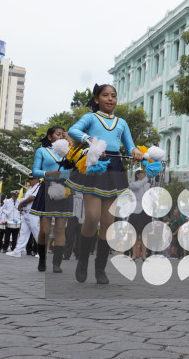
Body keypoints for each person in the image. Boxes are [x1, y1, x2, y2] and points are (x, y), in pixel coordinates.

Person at [65, 84, 144, 284]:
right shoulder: (91, 118)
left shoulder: (122, 123)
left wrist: (135, 151)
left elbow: (130, 144)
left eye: (114, 96)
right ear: (97, 99)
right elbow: (73, 130)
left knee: (108, 223)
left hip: (115, 167)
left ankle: (100, 268)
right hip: (94, 165)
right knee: (91, 217)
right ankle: (82, 261)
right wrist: (89, 139)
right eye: (105, 95)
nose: (110, 99)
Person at [28, 126, 72, 272]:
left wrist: (69, 140)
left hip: (64, 190)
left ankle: (57, 263)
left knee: (60, 229)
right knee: (45, 230)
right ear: (49, 137)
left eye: (63, 135)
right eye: (58, 134)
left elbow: (74, 170)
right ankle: (42, 259)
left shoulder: (69, 152)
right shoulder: (41, 151)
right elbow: (35, 171)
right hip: (47, 188)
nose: (61, 137)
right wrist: (49, 173)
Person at [9, 175, 42, 264]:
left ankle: (42, 252)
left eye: (31, 179)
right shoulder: (30, 188)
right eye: (29, 179)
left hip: (33, 213)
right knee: (23, 233)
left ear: (36, 179)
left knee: (37, 232)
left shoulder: (38, 186)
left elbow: (32, 198)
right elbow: (27, 198)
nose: (30, 180)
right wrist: (21, 205)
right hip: (26, 212)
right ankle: (17, 251)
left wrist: (21, 203)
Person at [126, 169, 150, 261]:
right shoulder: (133, 184)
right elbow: (138, 185)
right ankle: (134, 255)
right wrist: (146, 178)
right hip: (136, 211)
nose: (144, 175)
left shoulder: (148, 185)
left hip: (146, 211)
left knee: (144, 234)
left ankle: (144, 255)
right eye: (142, 173)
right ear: (137, 175)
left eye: (144, 173)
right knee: (135, 234)